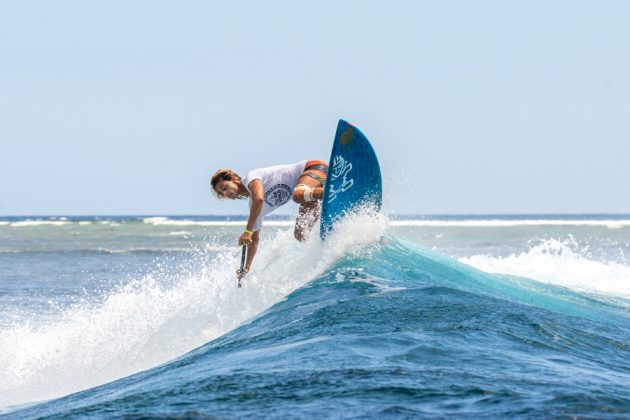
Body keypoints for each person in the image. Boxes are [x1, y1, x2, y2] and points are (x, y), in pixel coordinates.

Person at [210, 160, 328, 278]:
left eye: (224, 187)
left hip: (312, 169)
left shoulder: (252, 178)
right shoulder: (254, 207)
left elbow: (259, 199)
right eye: (222, 193)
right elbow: (254, 240)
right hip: (310, 192)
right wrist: (247, 268)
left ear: (234, 179)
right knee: (301, 235)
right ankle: (330, 239)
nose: (225, 193)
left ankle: (331, 189)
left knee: (297, 195)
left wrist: (247, 231)